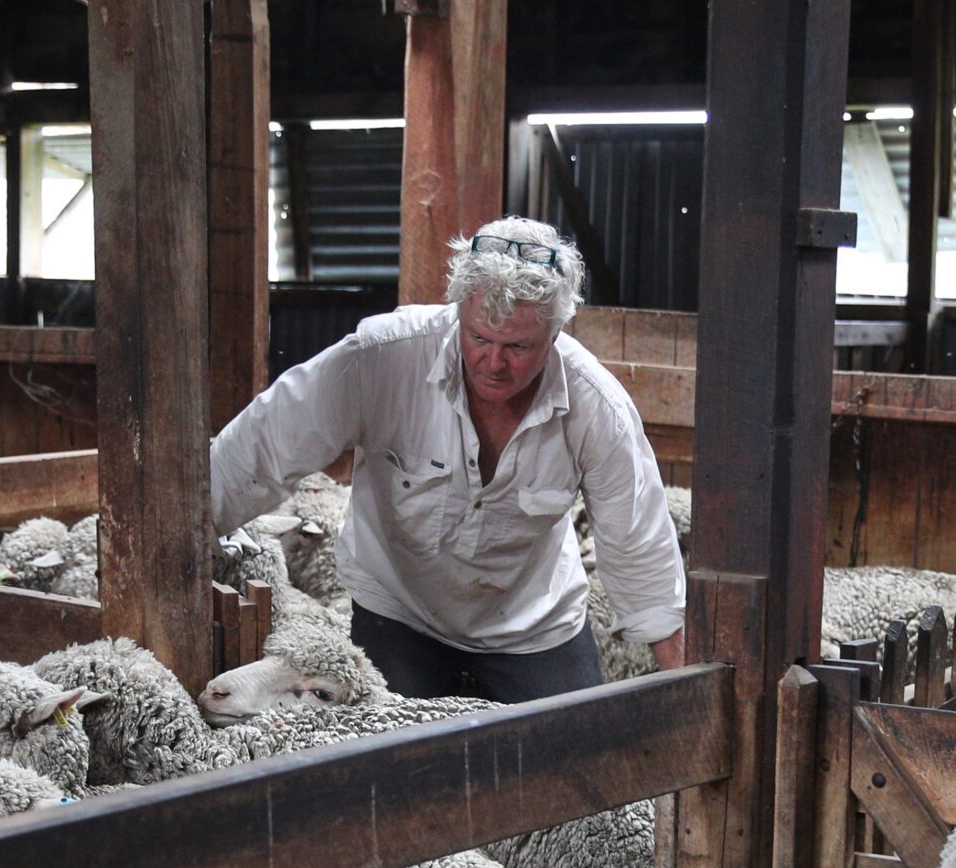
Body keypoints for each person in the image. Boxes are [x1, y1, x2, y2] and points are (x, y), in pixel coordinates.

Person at [209, 216, 687, 703]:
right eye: (480, 337)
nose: (494, 363)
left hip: (530, 624)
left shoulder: (598, 409)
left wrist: (687, 692)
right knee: (387, 765)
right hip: (398, 609)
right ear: (459, 309)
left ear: (556, 332)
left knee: (575, 759)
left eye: (518, 347)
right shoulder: (380, 360)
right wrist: (185, 532)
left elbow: (639, 546)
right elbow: (264, 446)